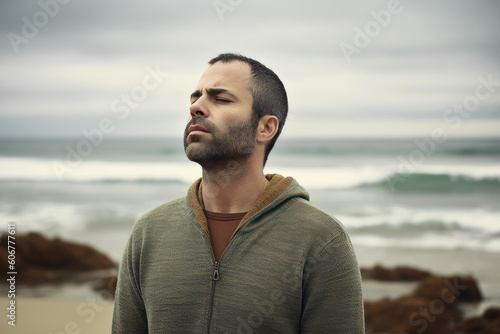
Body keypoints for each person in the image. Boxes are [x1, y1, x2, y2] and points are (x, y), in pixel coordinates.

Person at [112, 53, 365, 333]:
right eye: (194, 98)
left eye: (220, 99)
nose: (197, 107)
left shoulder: (322, 240)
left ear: (265, 128)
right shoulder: (149, 232)